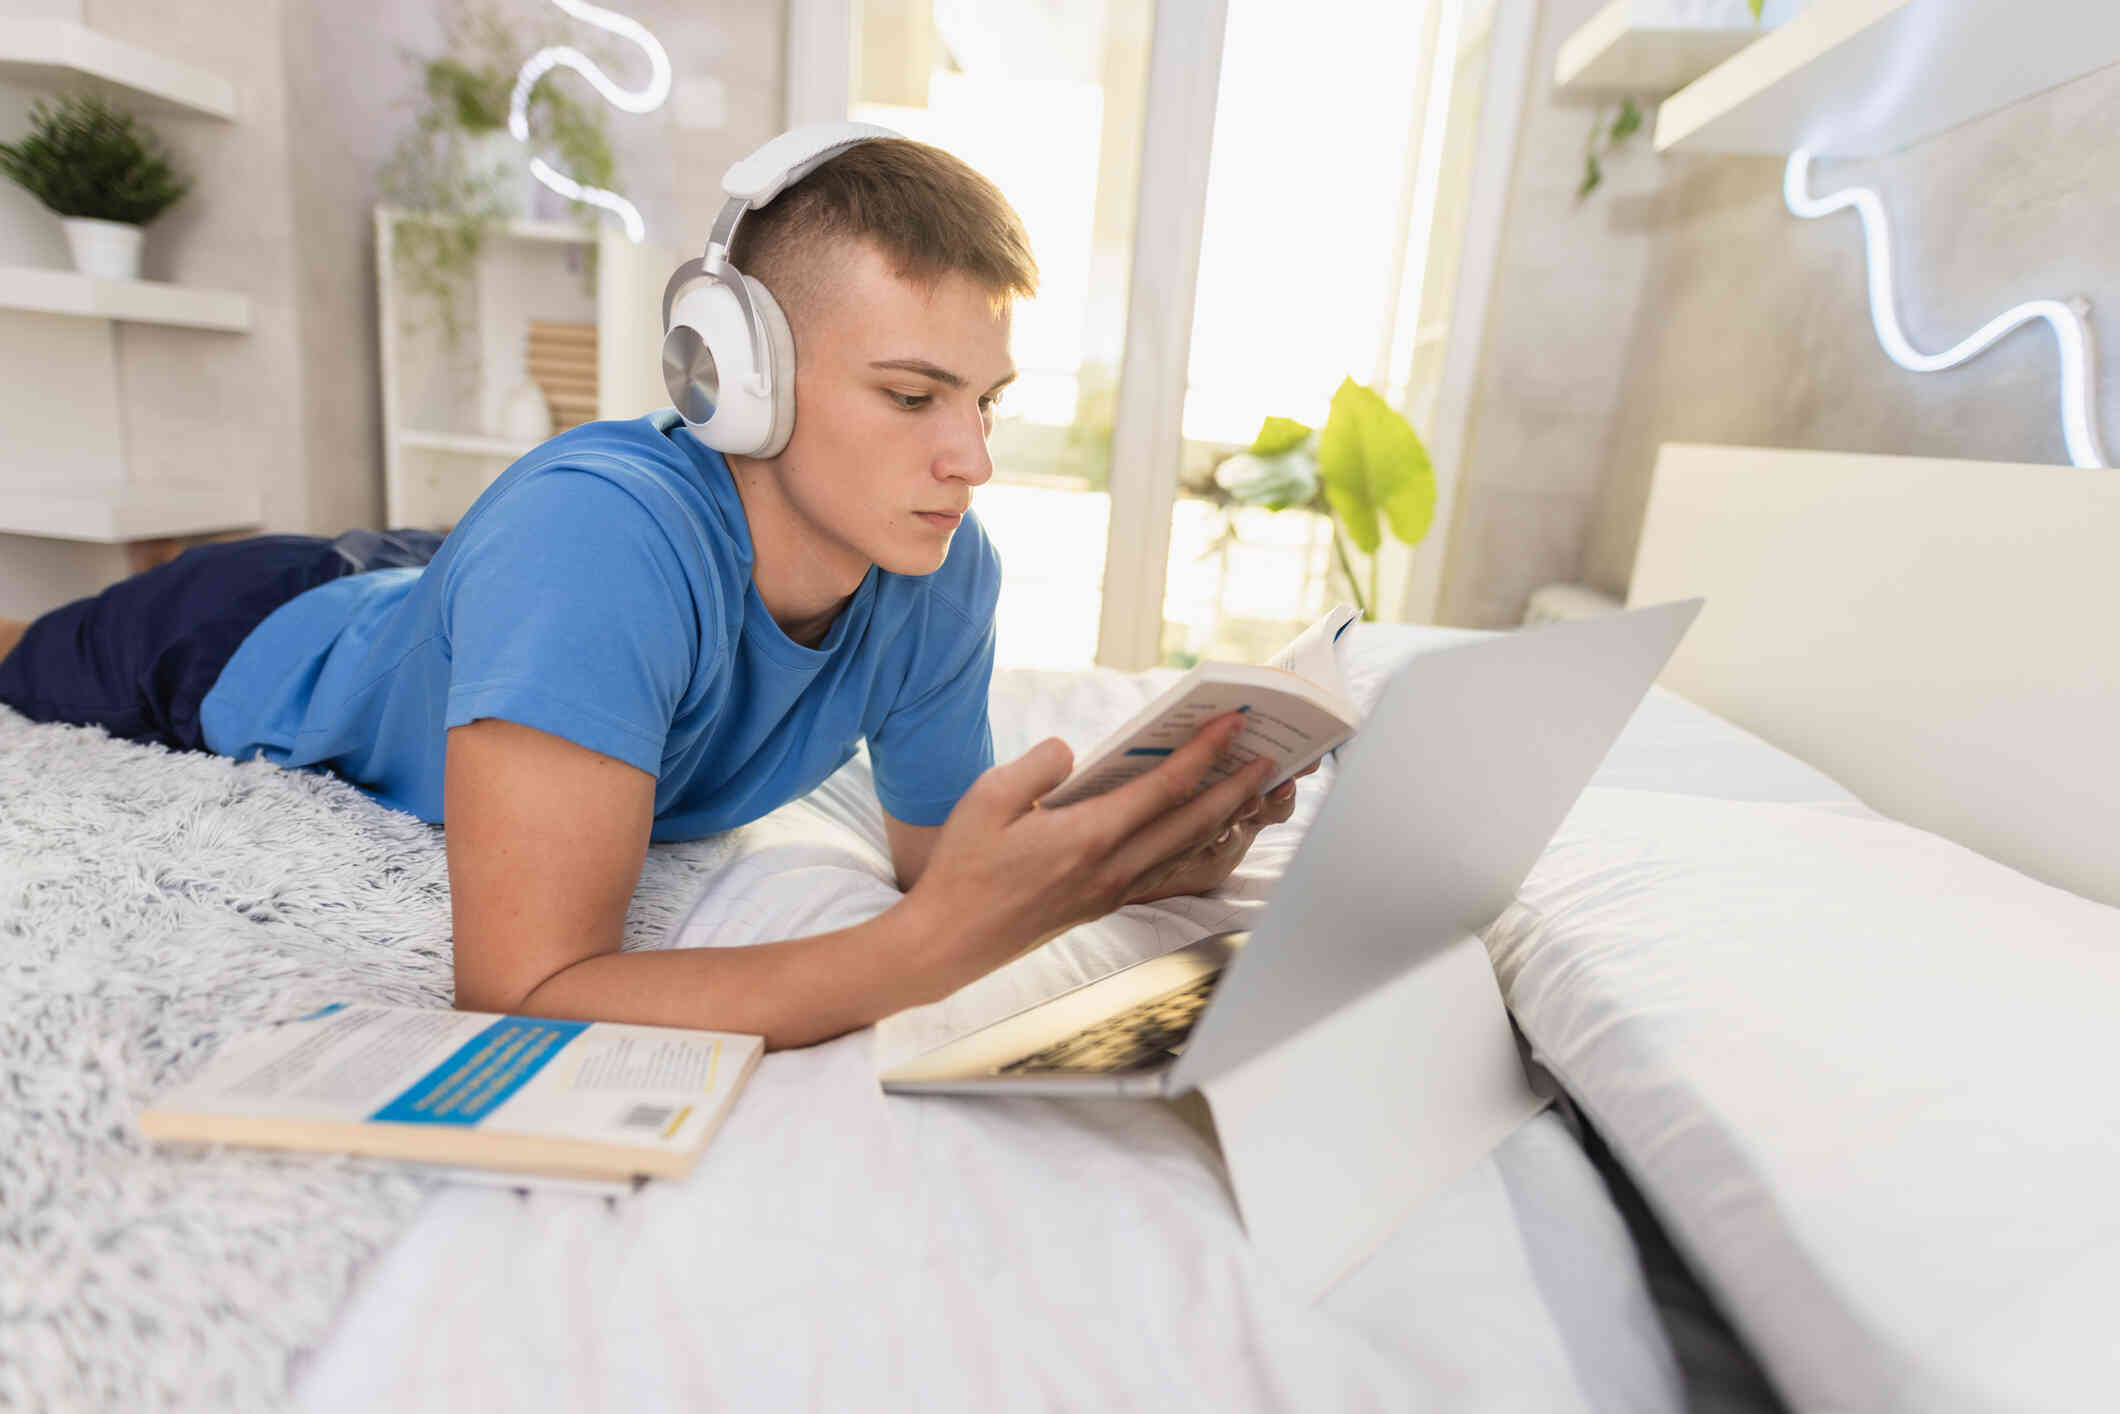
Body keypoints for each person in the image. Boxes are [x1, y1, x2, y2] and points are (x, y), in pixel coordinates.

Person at [0, 128, 1299, 1049]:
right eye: (911, 396)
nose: (972, 458)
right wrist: (922, 957)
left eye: (983, 401)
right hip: (252, 626)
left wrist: (1124, 847)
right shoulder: (595, 546)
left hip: (466, 586)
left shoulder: (944, 570)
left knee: (460, 577)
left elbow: (936, 858)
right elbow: (525, 987)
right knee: (22, 661)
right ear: (733, 376)